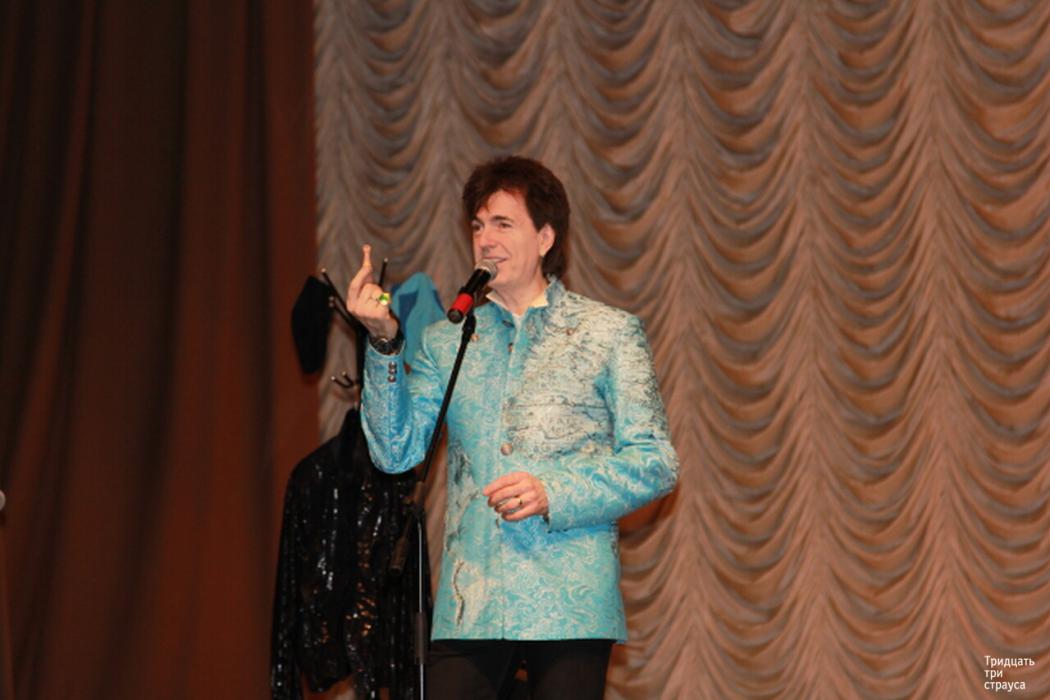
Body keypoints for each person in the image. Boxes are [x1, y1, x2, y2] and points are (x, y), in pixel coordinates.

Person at [345, 156, 678, 699]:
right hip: (472, 599)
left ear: (545, 237)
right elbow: (396, 451)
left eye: (503, 224)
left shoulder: (607, 333)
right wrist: (383, 342)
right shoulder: (447, 340)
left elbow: (655, 463)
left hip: (570, 598)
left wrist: (553, 492)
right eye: (478, 226)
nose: (486, 240)